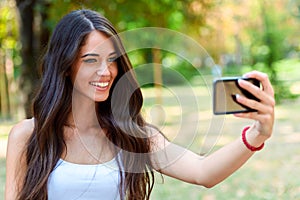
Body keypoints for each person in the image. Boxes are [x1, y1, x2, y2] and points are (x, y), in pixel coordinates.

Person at [5, 9, 275, 200]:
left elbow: (203, 172)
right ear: (65, 66)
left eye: (112, 59)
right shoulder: (28, 136)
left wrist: (256, 134)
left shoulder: (131, 135)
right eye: (90, 60)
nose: (106, 71)